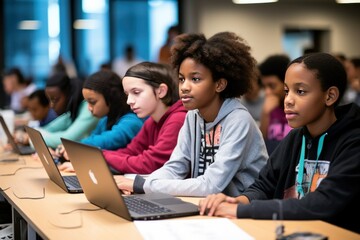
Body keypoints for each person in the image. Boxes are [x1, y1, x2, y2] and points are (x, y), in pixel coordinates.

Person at [199, 52, 360, 234]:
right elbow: (264, 185)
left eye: (300, 91)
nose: (288, 100)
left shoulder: (353, 142)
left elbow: (322, 204)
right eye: (286, 91)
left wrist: (240, 210)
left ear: (330, 96)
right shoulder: (295, 137)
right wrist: (239, 201)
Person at [114, 32, 268, 197]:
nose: (184, 87)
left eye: (195, 79)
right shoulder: (193, 116)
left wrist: (143, 186)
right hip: (206, 206)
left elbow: (210, 185)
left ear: (219, 84)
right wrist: (142, 186)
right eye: (181, 79)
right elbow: (175, 167)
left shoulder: (238, 120)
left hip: (241, 211)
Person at [102, 61, 187, 174]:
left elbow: (149, 164)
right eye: (127, 94)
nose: (129, 101)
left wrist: (102, 155)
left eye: (136, 92)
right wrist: (97, 156)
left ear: (161, 91)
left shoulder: (178, 120)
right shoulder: (152, 121)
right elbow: (131, 151)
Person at [57, 70, 145, 172]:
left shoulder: (132, 122)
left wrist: (75, 147)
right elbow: (92, 139)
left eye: (92, 102)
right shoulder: (104, 120)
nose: (89, 108)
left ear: (111, 98)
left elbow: (108, 139)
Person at [26, 72, 98, 149]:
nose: (51, 105)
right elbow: (50, 128)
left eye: (55, 100)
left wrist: (33, 139)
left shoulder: (89, 109)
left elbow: (67, 139)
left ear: (69, 95)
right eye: (49, 100)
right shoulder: (74, 108)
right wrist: (32, 135)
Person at [258, 54, 292, 154]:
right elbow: (261, 142)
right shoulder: (269, 107)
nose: (267, 92)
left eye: (272, 86)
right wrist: (265, 114)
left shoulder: (297, 107)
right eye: (264, 87)